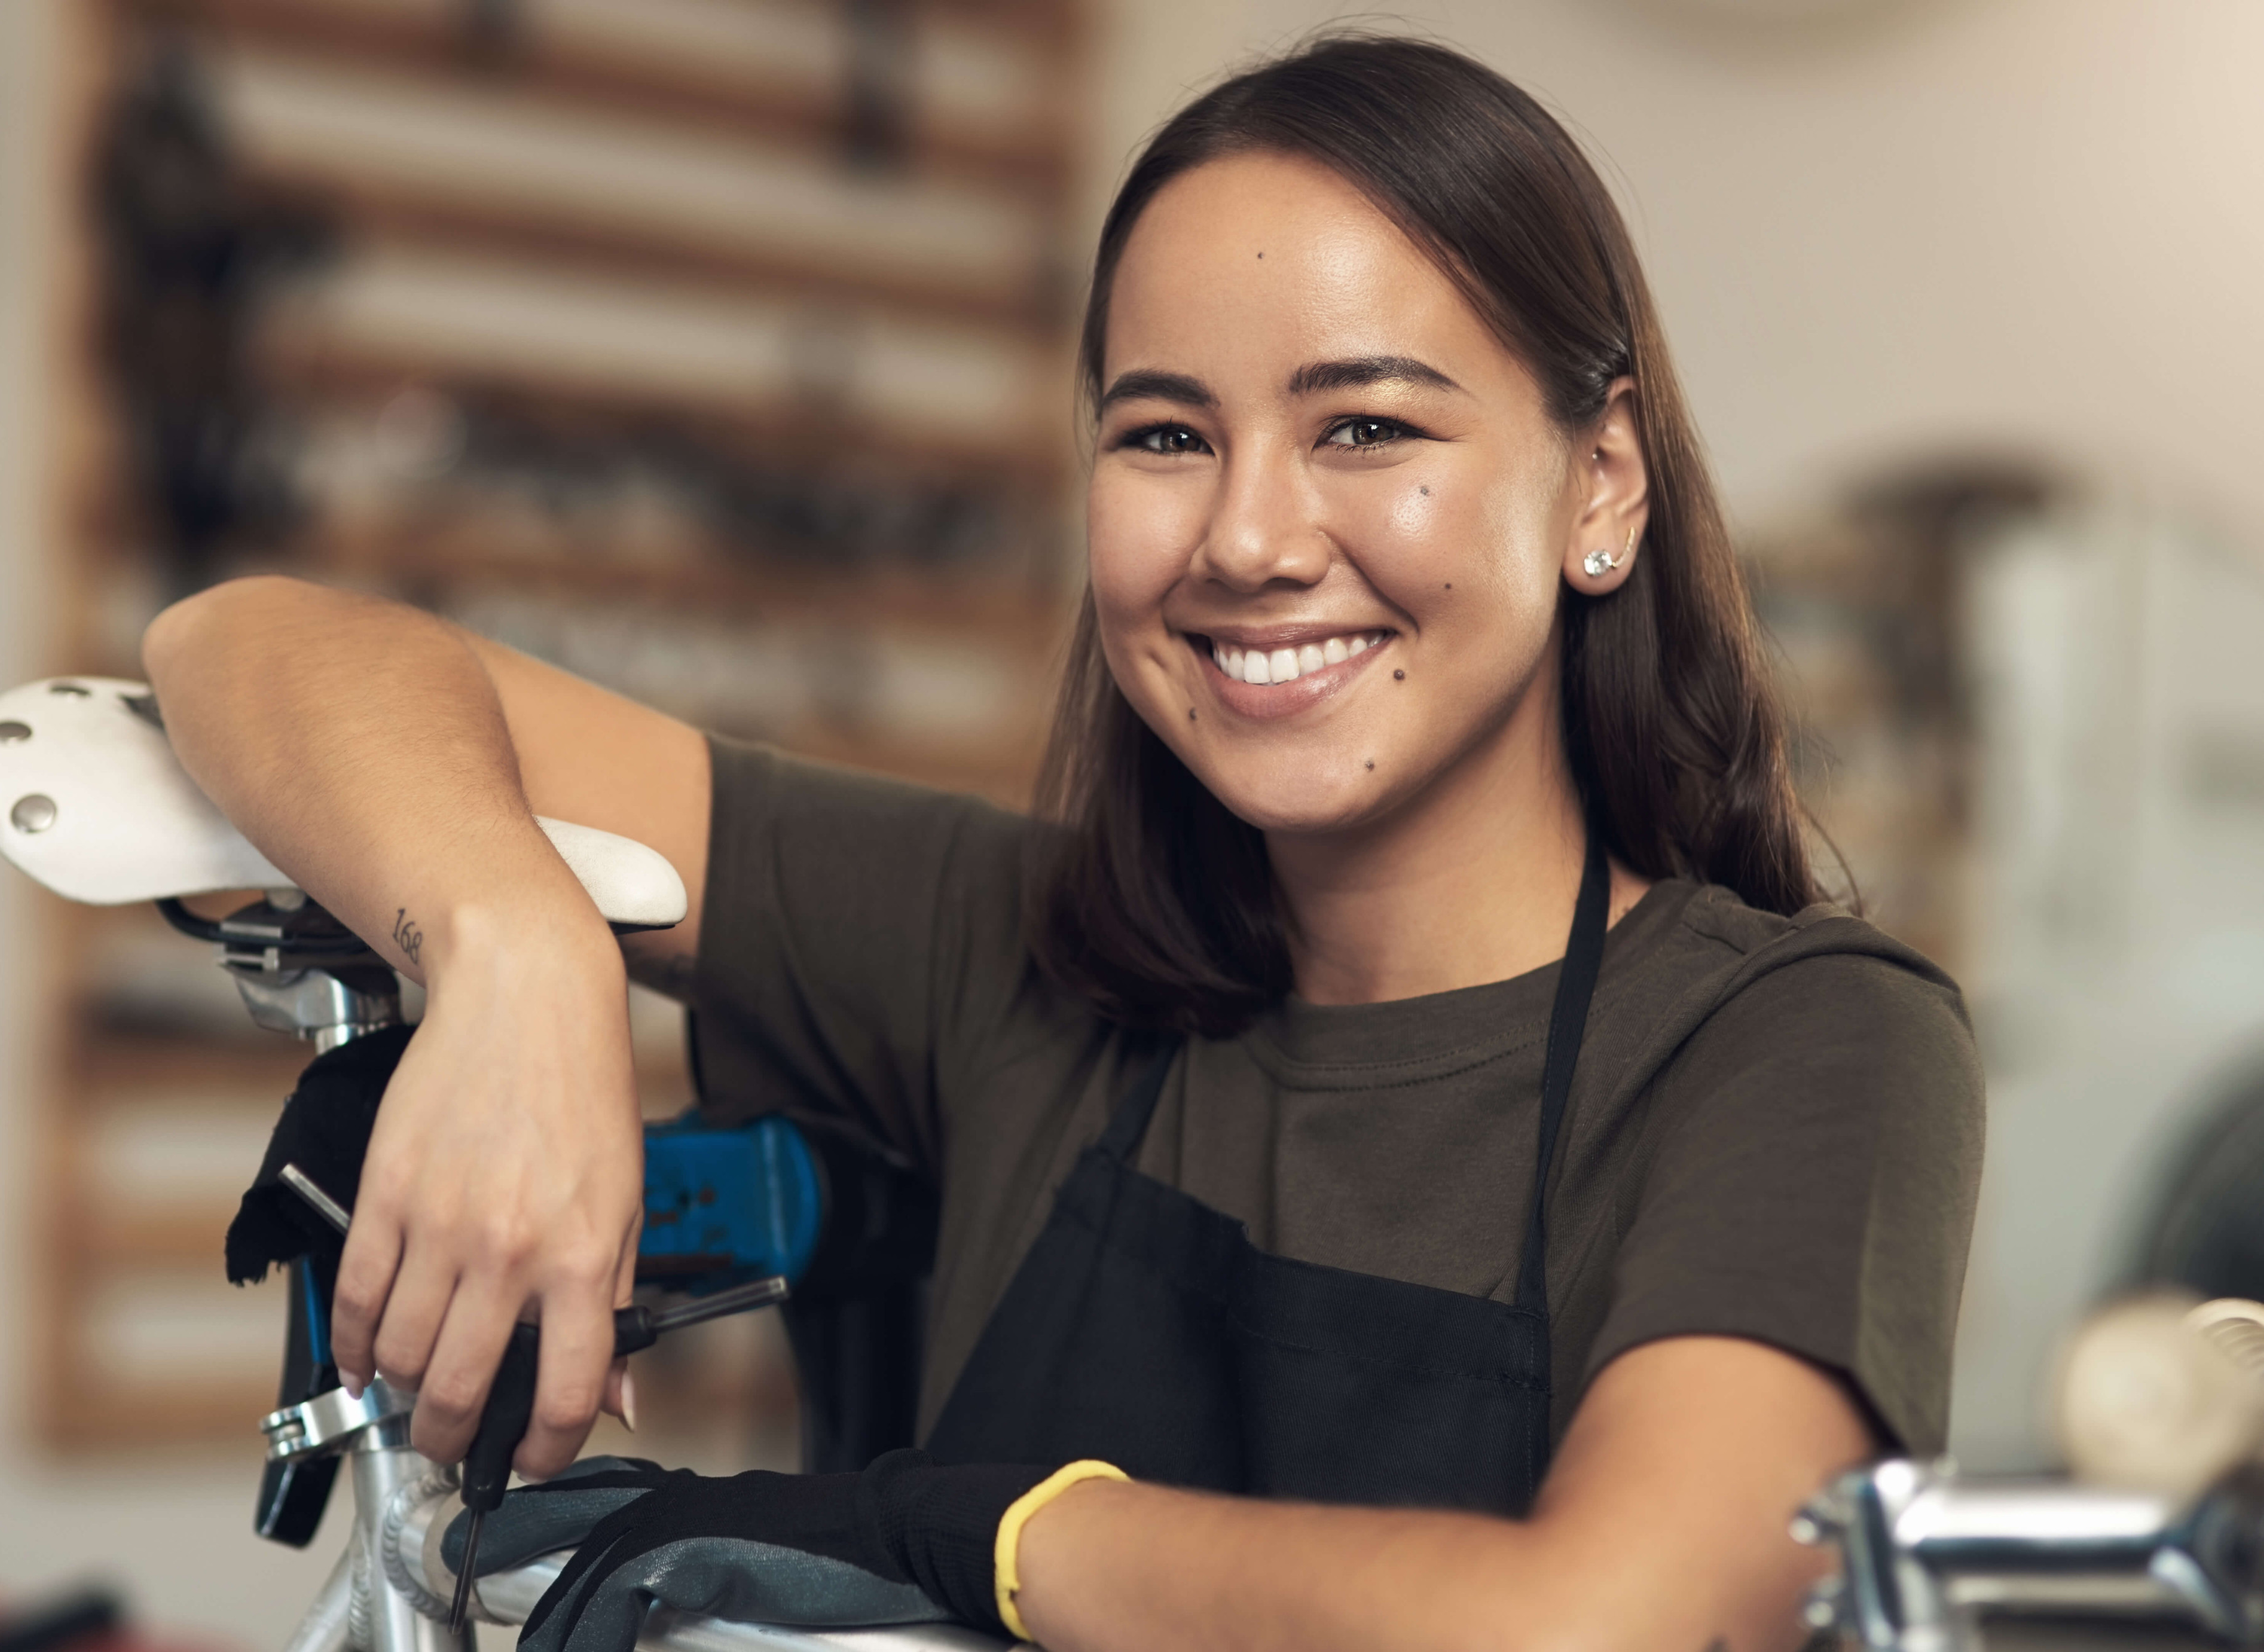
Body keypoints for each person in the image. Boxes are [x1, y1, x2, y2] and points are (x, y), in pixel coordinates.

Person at [144, 34, 1982, 1652]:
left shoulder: (1804, 1046)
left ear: (1602, 487)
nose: (1248, 537)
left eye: (1365, 422)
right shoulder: (1006, 949)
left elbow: (1613, 1622)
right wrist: (514, 949)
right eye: (1166, 432)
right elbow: (252, 643)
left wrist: (996, 1532)